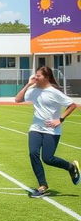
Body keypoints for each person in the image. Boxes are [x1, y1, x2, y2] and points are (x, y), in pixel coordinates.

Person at [15, 66, 79, 197]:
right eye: (35, 75)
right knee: (33, 153)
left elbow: (72, 105)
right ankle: (42, 186)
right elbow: (17, 99)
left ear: (47, 77)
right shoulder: (33, 90)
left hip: (52, 130)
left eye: (38, 75)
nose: (36, 77)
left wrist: (60, 119)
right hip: (35, 129)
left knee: (48, 158)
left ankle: (70, 167)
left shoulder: (54, 92)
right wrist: (28, 84)